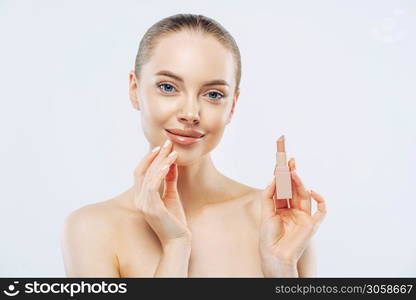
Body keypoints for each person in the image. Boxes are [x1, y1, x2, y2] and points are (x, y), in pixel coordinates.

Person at [61, 13, 326, 277]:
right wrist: (176, 246)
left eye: (213, 94)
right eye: (168, 87)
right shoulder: (91, 229)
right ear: (134, 89)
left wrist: (281, 270)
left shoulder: (277, 223)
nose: (190, 112)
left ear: (232, 106)